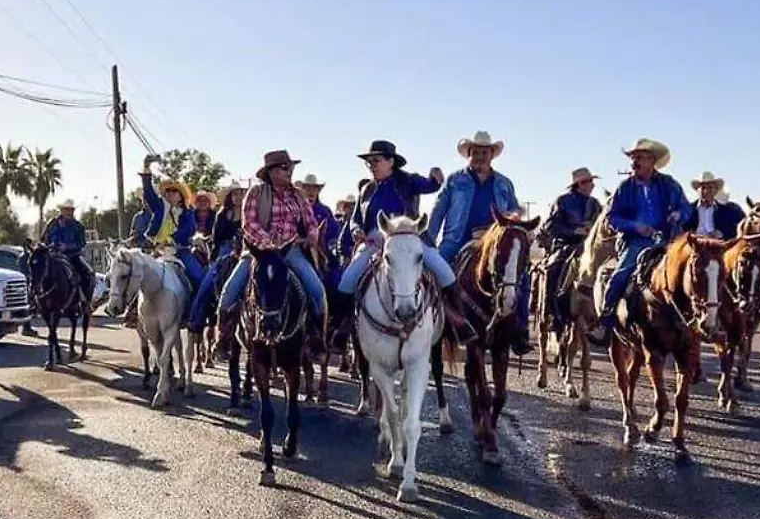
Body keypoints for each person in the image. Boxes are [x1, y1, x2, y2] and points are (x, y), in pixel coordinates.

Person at [329, 140, 477, 344]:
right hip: (374, 240)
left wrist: (436, 176)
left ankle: (458, 322)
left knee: (445, 273)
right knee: (347, 279)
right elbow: (355, 219)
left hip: (409, 239)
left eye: (376, 160)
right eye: (369, 162)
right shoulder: (367, 190)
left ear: (391, 162)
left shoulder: (408, 180)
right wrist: (356, 230)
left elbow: (431, 185)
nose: (371, 165)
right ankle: (342, 326)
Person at [429, 130, 531, 355]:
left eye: (485, 152)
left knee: (523, 273)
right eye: (475, 152)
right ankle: (433, 322)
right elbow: (439, 210)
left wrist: (515, 221)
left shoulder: (504, 183)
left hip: (494, 239)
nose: (480, 156)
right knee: (432, 269)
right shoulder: (455, 180)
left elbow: (514, 210)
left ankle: (519, 327)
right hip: (458, 238)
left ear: (492, 154)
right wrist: (429, 236)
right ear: (469, 154)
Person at [216, 150, 328, 348]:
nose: (290, 171)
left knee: (316, 289)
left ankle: (318, 336)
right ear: (271, 171)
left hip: (290, 250)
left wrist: (312, 234)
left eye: (291, 167)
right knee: (230, 288)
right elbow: (249, 224)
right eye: (285, 167)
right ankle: (223, 335)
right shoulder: (256, 193)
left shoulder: (299, 195)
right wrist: (267, 241)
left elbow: (310, 222)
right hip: (258, 251)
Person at [595, 138, 692, 345]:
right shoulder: (625, 187)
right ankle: (605, 321)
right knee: (618, 277)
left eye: (639, 158)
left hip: (668, 241)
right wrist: (635, 226)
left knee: (692, 274)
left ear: (652, 160)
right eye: (633, 158)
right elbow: (613, 218)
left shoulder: (670, 184)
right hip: (636, 241)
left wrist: (678, 214)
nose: (634, 162)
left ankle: (697, 324)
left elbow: (686, 208)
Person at [536, 167, 603, 335]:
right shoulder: (563, 201)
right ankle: (552, 315)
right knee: (553, 270)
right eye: (588, 182)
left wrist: (593, 230)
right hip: (566, 246)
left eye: (592, 181)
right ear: (579, 184)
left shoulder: (595, 205)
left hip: (590, 248)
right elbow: (550, 226)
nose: (592, 185)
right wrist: (574, 231)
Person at [139, 155, 203, 319]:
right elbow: (148, 194)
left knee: (199, 277)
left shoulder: (187, 213)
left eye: (175, 191)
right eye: (168, 190)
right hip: (156, 250)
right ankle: (134, 313)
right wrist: (146, 168)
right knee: (134, 273)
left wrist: (170, 240)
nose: (170, 193)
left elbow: (187, 230)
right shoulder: (159, 207)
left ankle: (196, 312)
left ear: (181, 196)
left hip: (179, 251)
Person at [186, 184, 245, 335]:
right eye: (235, 194)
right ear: (230, 197)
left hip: (245, 249)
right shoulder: (222, 214)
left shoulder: (249, 213)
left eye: (241, 194)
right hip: (224, 250)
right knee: (206, 284)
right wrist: (214, 259)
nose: (239, 197)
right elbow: (217, 239)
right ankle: (195, 320)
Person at [40, 200, 96, 304]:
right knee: (38, 271)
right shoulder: (52, 224)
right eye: (66, 210)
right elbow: (43, 238)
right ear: (61, 211)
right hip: (53, 255)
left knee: (87, 273)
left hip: (72, 256)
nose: (68, 212)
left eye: (70, 210)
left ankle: (86, 301)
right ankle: (35, 298)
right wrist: (50, 245)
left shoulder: (78, 226)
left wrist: (67, 246)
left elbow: (81, 242)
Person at [684, 171, 745, 240]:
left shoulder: (727, 210)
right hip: (694, 245)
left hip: (718, 246)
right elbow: (681, 229)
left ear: (716, 190)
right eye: (703, 188)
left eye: (710, 187)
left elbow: (736, 229)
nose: (706, 191)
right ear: (697, 191)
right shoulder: (688, 210)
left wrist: (721, 233)